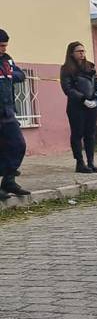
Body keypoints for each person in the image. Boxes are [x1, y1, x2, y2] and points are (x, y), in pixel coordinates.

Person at [60, 42, 97, 174]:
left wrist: (96, 98)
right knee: (77, 133)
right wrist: (82, 99)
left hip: (92, 105)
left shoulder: (90, 66)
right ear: (72, 53)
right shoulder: (66, 69)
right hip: (76, 106)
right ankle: (80, 162)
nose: (82, 54)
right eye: (79, 51)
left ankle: (91, 162)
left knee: (90, 134)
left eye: (83, 51)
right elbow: (67, 88)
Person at [0, 28, 29, 200]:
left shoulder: (7, 60)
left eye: (5, 45)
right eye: (1, 46)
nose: (4, 48)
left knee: (18, 145)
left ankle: (9, 180)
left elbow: (21, 74)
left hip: (8, 111)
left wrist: (11, 74)